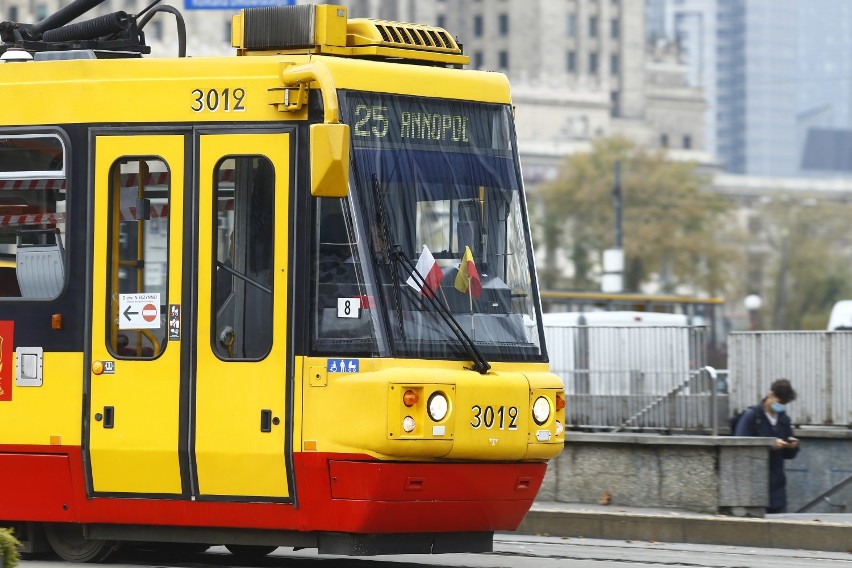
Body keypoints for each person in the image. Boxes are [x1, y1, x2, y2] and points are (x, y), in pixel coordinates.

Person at [734, 378, 799, 513]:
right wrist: (769, 446)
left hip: (777, 488)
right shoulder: (752, 416)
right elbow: (739, 447)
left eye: (784, 403)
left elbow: (788, 455)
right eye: (779, 402)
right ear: (770, 395)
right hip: (754, 486)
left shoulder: (783, 419)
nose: (780, 406)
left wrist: (792, 446)